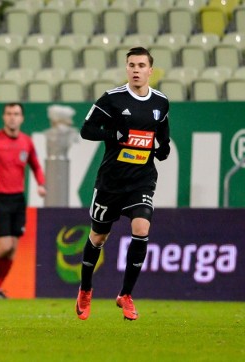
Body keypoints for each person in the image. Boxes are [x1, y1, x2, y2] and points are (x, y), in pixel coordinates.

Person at [75, 47, 170, 321]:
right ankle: (85, 288)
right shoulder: (112, 100)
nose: (136, 69)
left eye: (141, 65)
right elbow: (86, 130)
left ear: (151, 70)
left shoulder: (161, 102)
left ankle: (125, 295)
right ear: (126, 69)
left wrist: (163, 147)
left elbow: (162, 131)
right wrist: (112, 133)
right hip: (111, 182)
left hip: (141, 180)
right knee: (98, 237)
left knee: (141, 228)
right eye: (132, 65)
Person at [0, 103, 46, 299]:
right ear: (4, 117)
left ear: (22, 118)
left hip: (18, 199)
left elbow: (36, 166)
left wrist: (41, 183)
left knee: (12, 250)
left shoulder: (27, 142)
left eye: (16, 114)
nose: (13, 117)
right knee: (4, 247)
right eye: (9, 114)